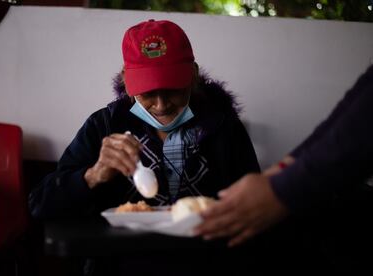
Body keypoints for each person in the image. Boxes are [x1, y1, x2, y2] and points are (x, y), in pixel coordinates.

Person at [29, 19, 260, 275]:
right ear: (127, 82)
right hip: (120, 265)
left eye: (173, 89)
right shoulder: (104, 125)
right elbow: (40, 204)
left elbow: (255, 207)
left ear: (193, 75)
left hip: (205, 264)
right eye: (148, 92)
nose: (161, 105)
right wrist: (93, 176)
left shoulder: (223, 127)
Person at [195, 64, 373, 272]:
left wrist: (280, 188)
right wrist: (280, 172)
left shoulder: (224, 124)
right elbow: (353, 108)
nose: (161, 106)